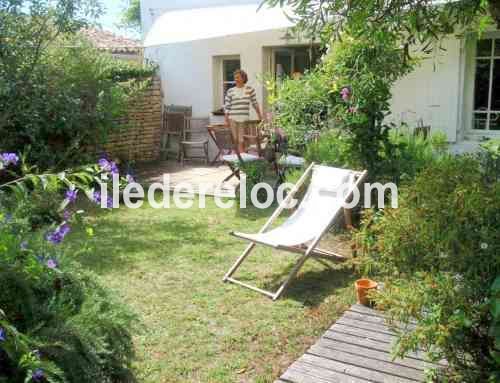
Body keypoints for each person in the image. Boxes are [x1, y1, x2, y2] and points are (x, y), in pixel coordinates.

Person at [224, 69, 263, 153]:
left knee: (242, 140)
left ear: (243, 78)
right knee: (235, 140)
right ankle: (238, 159)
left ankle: (241, 159)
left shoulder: (250, 90)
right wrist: (226, 119)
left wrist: (260, 115)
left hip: (244, 119)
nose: (236, 79)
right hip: (232, 118)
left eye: (238, 77)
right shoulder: (230, 91)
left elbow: (255, 103)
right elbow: (227, 106)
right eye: (235, 78)